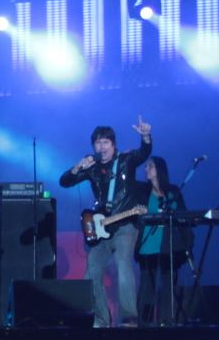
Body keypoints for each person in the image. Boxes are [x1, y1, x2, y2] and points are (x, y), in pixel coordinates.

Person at [60, 117, 152, 328]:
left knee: (122, 263)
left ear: (113, 144)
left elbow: (144, 153)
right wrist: (77, 167)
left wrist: (145, 136)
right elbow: (64, 182)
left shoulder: (126, 160)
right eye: (97, 143)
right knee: (92, 272)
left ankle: (129, 318)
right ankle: (101, 320)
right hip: (101, 228)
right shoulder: (91, 167)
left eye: (105, 143)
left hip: (125, 223)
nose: (101, 147)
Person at [134, 157, 186, 327]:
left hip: (168, 246)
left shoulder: (173, 191)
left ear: (160, 170)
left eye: (150, 166)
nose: (146, 169)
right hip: (147, 245)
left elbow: (182, 216)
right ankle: (144, 323)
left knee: (168, 286)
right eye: (146, 166)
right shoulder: (142, 190)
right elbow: (134, 214)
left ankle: (166, 321)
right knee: (146, 288)